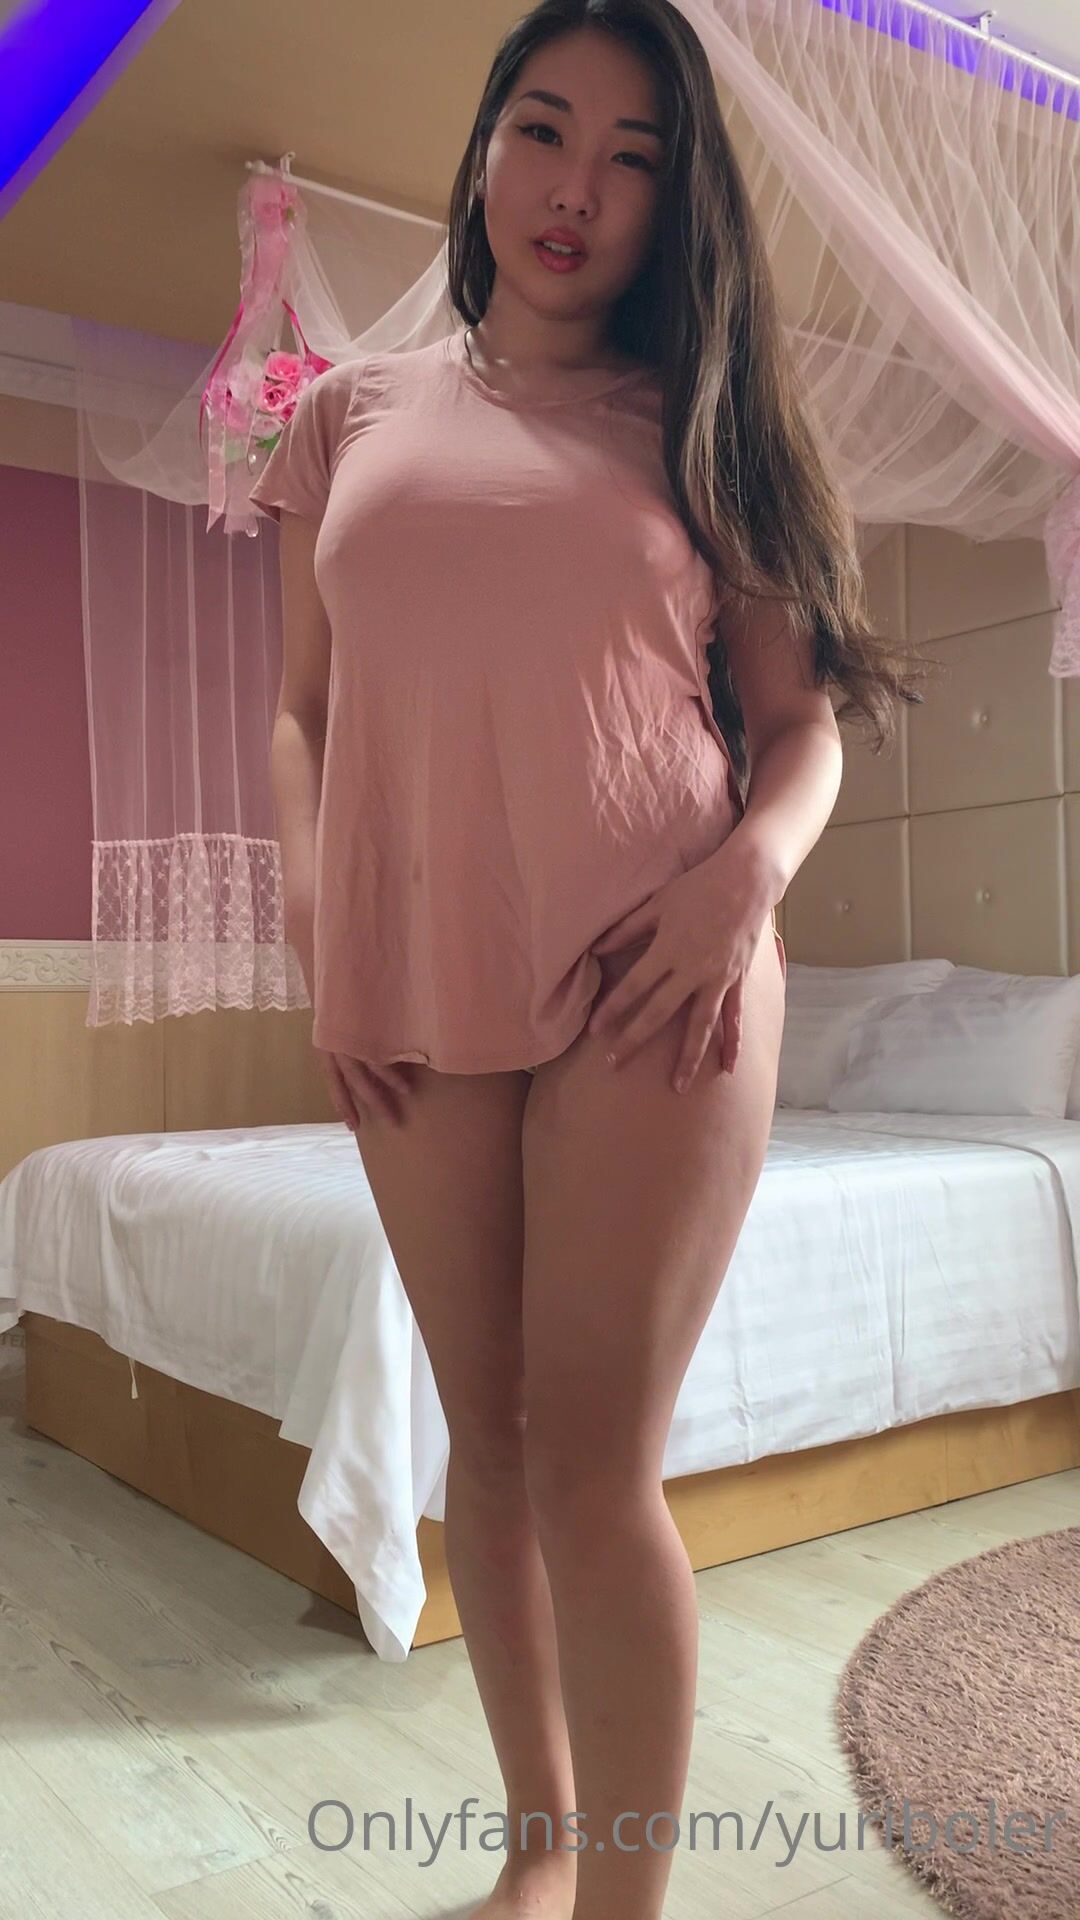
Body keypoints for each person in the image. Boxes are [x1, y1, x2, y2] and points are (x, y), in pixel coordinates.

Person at [250, 5, 926, 1915]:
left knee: (592, 1467)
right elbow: (303, 709)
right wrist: (314, 914)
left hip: (663, 972)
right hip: (410, 975)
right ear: (485, 147)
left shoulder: (710, 418)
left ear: (675, 200)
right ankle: (539, 1850)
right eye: (545, 131)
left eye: (635, 157)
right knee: (488, 1442)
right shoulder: (345, 415)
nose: (577, 188)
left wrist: (743, 888)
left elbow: (798, 730)